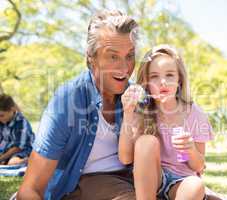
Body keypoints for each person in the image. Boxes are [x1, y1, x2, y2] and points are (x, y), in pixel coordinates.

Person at [17, 10, 138, 200]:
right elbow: (30, 189)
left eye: (129, 56)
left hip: (132, 181)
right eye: (113, 56)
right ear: (91, 57)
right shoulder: (67, 101)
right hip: (82, 185)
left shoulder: (137, 97)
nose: (125, 69)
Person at [119, 44, 214, 200]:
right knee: (146, 141)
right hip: (154, 178)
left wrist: (190, 149)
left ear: (179, 80)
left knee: (196, 185)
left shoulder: (194, 113)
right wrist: (128, 112)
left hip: (182, 181)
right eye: (154, 76)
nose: (162, 81)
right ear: (147, 83)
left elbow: (198, 166)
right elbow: (125, 158)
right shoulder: (141, 111)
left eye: (169, 75)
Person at [0, 94, 34, 165]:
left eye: (2, 115)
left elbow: (18, 147)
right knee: (5, 161)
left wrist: (2, 158)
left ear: (12, 110)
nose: (0, 118)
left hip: (24, 150)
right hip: (7, 151)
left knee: (12, 162)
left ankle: (29, 160)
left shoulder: (21, 122)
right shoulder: (3, 122)